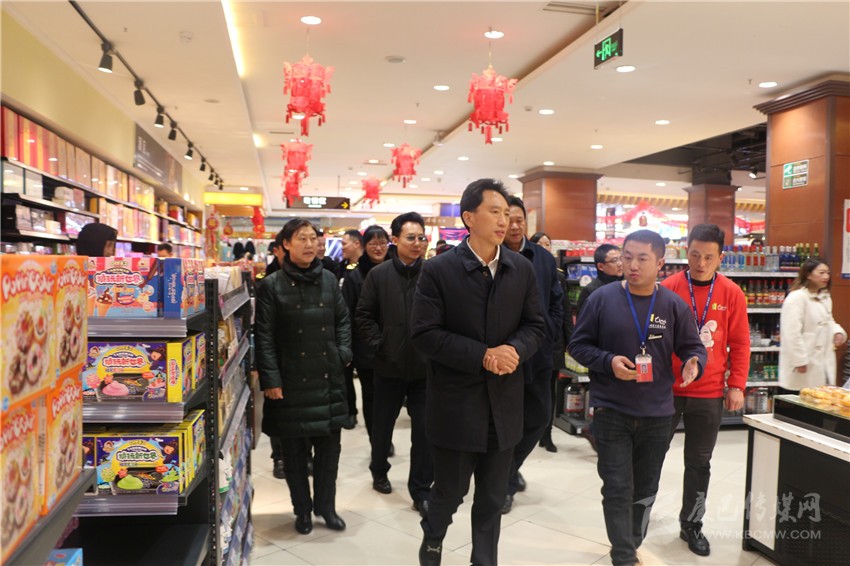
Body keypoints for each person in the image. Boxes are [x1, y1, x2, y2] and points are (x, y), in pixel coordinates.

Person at [411, 179, 545, 566]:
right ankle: (433, 537)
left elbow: (537, 325)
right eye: (494, 212)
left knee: (492, 496)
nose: (504, 221)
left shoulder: (521, 269)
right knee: (449, 492)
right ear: (469, 217)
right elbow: (424, 334)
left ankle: (484, 560)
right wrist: (482, 355)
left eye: (507, 214)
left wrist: (514, 350)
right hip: (457, 403)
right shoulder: (438, 270)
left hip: (504, 404)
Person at [568, 229, 706, 566]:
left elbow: (692, 346)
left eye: (642, 259)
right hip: (611, 409)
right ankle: (624, 555)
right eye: (626, 257)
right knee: (616, 486)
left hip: (657, 414)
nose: (632, 265)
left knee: (645, 488)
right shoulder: (601, 299)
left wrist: (694, 362)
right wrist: (609, 362)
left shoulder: (673, 305)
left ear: (660, 263)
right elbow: (578, 346)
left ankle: (630, 541)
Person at [255, 219, 352, 535]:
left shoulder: (329, 279)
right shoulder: (271, 285)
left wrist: (342, 354)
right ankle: (303, 511)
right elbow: (264, 337)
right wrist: (271, 380)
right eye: (302, 239)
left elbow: (343, 321)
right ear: (285, 244)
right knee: (295, 456)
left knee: (329, 453)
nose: (310, 245)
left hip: (327, 378)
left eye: (313, 239)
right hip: (290, 383)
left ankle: (326, 507)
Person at [660, 223, 749, 557]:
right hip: (666, 391)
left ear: (720, 258)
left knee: (699, 463)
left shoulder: (731, 293)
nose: (700, 263)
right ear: (686, 251)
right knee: (651, 456)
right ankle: (637, 516)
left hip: (709, 392)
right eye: (694, 254)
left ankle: (692, 524)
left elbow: (740, 343)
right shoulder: (668, 288)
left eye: (708, 257)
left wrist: (736, 385)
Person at [355, 212, 433, 514]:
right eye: (410, 237)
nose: (417, 243)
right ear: (396, 240)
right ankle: (379, 469)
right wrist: (381, 345)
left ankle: (421, 489)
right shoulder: (379, 275)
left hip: (425, 368)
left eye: (421, 237)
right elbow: (364, 316)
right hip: (388, 366)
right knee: (382, 425)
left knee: (424, 431)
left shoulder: (433, 274)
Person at [501, 197, 563, 514]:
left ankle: (509, 470)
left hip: (538, 354)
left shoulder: (544, 258)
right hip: (504, 356)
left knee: (538, 418)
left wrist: (549, 333)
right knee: (506, 423)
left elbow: (557, 302)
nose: (514, 226)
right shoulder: (493, 255)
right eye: (508, 219)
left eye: (519, 220)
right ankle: (504, 484)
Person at [341, 225, 390, 437]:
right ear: (364, 246)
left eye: (382, 243)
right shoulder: (355, 276)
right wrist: (349, 349)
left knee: (390, 398)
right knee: (371, 397)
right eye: (373, 243)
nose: (378, 248)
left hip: (394, 348)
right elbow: (347, 315)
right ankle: (377, 441)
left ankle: (384, 438)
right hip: (366, 351)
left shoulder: (396, 270)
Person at [779, 257, 847, 390]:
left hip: (822, 363)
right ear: (808, 274)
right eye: (821, 273)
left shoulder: (825, 297)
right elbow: (791, 333)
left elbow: (829, 320)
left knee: (820, 397)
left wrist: (837, 332)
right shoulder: (796, 298)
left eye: (827, 273)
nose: (826, 277)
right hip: (803, 365)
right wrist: (799, 360)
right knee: (801, 397)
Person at [530, 231, 570, 453]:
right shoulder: (525, 268)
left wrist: (567, 338)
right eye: (541, 243)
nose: (545, 247)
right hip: (529, 341)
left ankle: (547, 433)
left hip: (552, 341)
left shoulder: (558, 275)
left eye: (548, 243)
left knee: (549, 390)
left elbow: (563, 309)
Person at [576, 243, 624, 314]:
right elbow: (583, 319)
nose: (620, 264)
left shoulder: (626, 284)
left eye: (621, 259)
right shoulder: (591, 290)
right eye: (614, 260)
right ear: (600, 266)